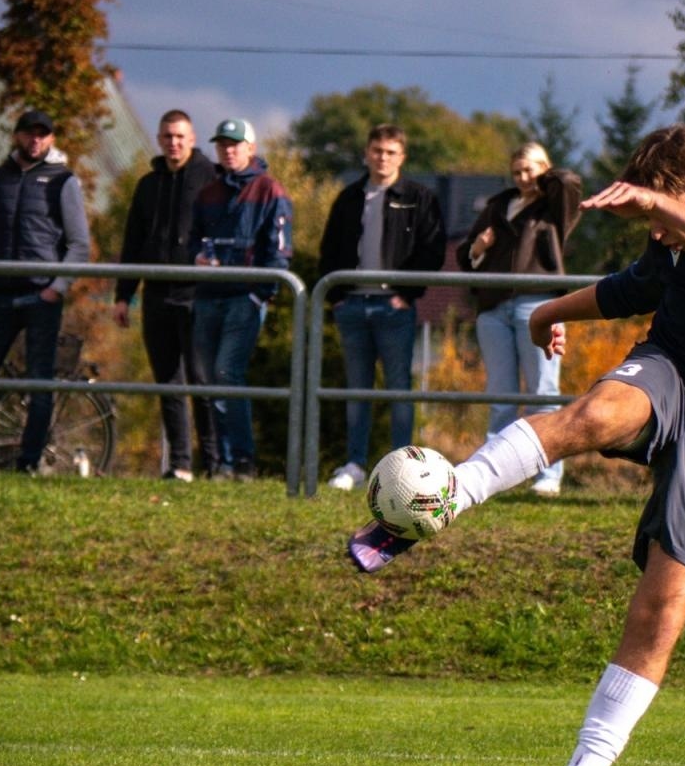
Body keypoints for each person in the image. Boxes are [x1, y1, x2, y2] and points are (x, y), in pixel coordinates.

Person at [349, 124, 685, 766]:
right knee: (595, 413)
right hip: (673, 374)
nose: (660, 237)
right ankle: (442, 501)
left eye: (668, 218)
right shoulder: (672, 239)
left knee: (659, 615)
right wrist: (547, 310)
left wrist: (661, 211)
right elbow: (631, 288)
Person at [0, 109, 90, 472]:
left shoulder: (63, 181)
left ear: (52, 139)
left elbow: (79, 243)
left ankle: (29, 462)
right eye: (30, 133)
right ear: (17, 135)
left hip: (40, 296)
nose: (36, 140)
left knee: (39, 382)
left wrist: (57, 288)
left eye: (43, 134)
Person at [317, 124, 446, 491]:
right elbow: (328, 251)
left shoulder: (420, 198)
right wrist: (337, 297)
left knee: (397, 389)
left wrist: (406, 293)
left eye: (390, 152)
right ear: (366, 152)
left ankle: (402, 469)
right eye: (377, 150)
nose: (383, 158)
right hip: (352, 305)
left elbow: (432, 251)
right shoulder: (349, 197)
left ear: (402, 156)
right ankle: (354, 465)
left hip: (395, 308)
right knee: (357, 390)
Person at [458, 142, 582, 497]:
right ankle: (493, 477)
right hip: (494, 307)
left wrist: (546, 176)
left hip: (539, 304)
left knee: (543, 392)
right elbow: (465, 257)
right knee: (501, 396)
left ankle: (549, 474)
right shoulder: (498, 206)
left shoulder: (554, 206)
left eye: (531, 170)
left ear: (545, 169)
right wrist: (479, 248)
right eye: (517, 172)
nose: (523, 177)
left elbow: (570, 183)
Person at [186, 117, 294, 481]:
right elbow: (192, 243)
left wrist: (258, 294)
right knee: (207, 380)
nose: (228, 150)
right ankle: (221, 463)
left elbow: (278, 252)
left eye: (235, 144)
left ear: (251, 148)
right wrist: (196, 260)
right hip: (207, 297)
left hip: (243, 299)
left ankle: (241, 462)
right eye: (222, 145)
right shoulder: (209, 193)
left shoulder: (269, 191)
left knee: (226, 374)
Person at [114, 109, 219, 482]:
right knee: (168, 383)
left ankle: (213, 463)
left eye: (180, 137)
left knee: (201, 380)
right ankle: (180, 464)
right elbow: (133, 243)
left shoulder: (210, 180)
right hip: (156, 296)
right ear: (159, 140)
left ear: (192, 139)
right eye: (167, 137)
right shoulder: (148, 185)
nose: (173, 143)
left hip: (197, 296)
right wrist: (124, 294)